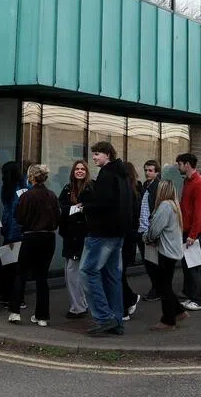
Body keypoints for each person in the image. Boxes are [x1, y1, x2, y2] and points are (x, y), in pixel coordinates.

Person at [80, 141, 133, 336]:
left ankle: (104, 318)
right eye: (93, 154)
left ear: (108, 154)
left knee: (87, 271)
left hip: (102, 233)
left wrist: (86, 205)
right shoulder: (122, 175)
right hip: (117, 234)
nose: (94, 157)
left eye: (97, 154)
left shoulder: (106, 175)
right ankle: (117, 322)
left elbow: (103, 204)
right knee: (112, 277)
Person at [9, 164, 59, 326]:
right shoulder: (52, 195)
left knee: (21, 274)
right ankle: (42, 316)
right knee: (42, 277)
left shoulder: (27, 196)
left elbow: (19, 217)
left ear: (31, 177)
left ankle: (15, 312)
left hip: (30, 236)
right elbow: (57, 218)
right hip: (48, 237)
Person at [144, 179, 187, 332]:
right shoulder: (175, 205)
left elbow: (155, 229)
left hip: (166, 252)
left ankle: (168, 320)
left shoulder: (164, 206)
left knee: (163, 287)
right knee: (165, 284)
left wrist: (147, 238)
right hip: (173, 251)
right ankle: (178, 311)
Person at [176, 153, 201, 311]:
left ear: (187, 164)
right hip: (188, 230)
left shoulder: (199, 183)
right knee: (188, 266)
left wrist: (193, 235)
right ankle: (191, 296)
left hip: (195, 232)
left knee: (194, 266)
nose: (178, 167)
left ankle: (197, 300)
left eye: (180, 164)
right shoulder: (188, 181)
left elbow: (200, 213)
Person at [58, 159, 91, 319]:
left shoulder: (90, 188)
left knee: (74, 272)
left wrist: (75, 210)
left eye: (82, 169)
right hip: (69, 236)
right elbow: (60, 208)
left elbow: (91, 209)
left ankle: (79, 307)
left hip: (83, 236)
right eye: (77, 169)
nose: (79, 171)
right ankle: (80, 304)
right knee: (70, 271)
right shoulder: (67, 188)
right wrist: (75, 208)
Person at [0, 161, 26, 304]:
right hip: (15, 231)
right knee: (12, 266)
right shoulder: (21, 187)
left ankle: (13, 297)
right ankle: (12, 296)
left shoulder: (14, 189)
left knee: (11, 265)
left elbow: (12, 212)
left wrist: (9, 232)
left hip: (14, 233)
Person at [120, 161, 142, 318]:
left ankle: (127, 303)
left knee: (119, 274)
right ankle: (129, 300)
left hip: (125, 238)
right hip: (130, 238)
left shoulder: (129, 193)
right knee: (119, 274)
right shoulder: (135, 192)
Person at [139, 160, 163, 300]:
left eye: (150, 170)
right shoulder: (146, 185)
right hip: (143, 229)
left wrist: (153, 231)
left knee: (152, 263)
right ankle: (156, 288)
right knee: (148, 262)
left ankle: (157, 289)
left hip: (150, 230)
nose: (147, 173)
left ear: (157, 172)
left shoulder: (158, 186)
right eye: (146, 170)